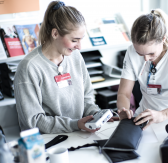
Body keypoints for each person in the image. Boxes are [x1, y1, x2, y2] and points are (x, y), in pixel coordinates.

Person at [14, 1, 113, 134]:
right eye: (74, 40)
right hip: (49, 141)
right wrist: (74, 124)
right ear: (55, 34)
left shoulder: (75, 56)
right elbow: (34, 121)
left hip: (79, 133)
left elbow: (87, 97)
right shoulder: (29, 68)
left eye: (81, 39)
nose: (79, 46)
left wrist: (95, 115)